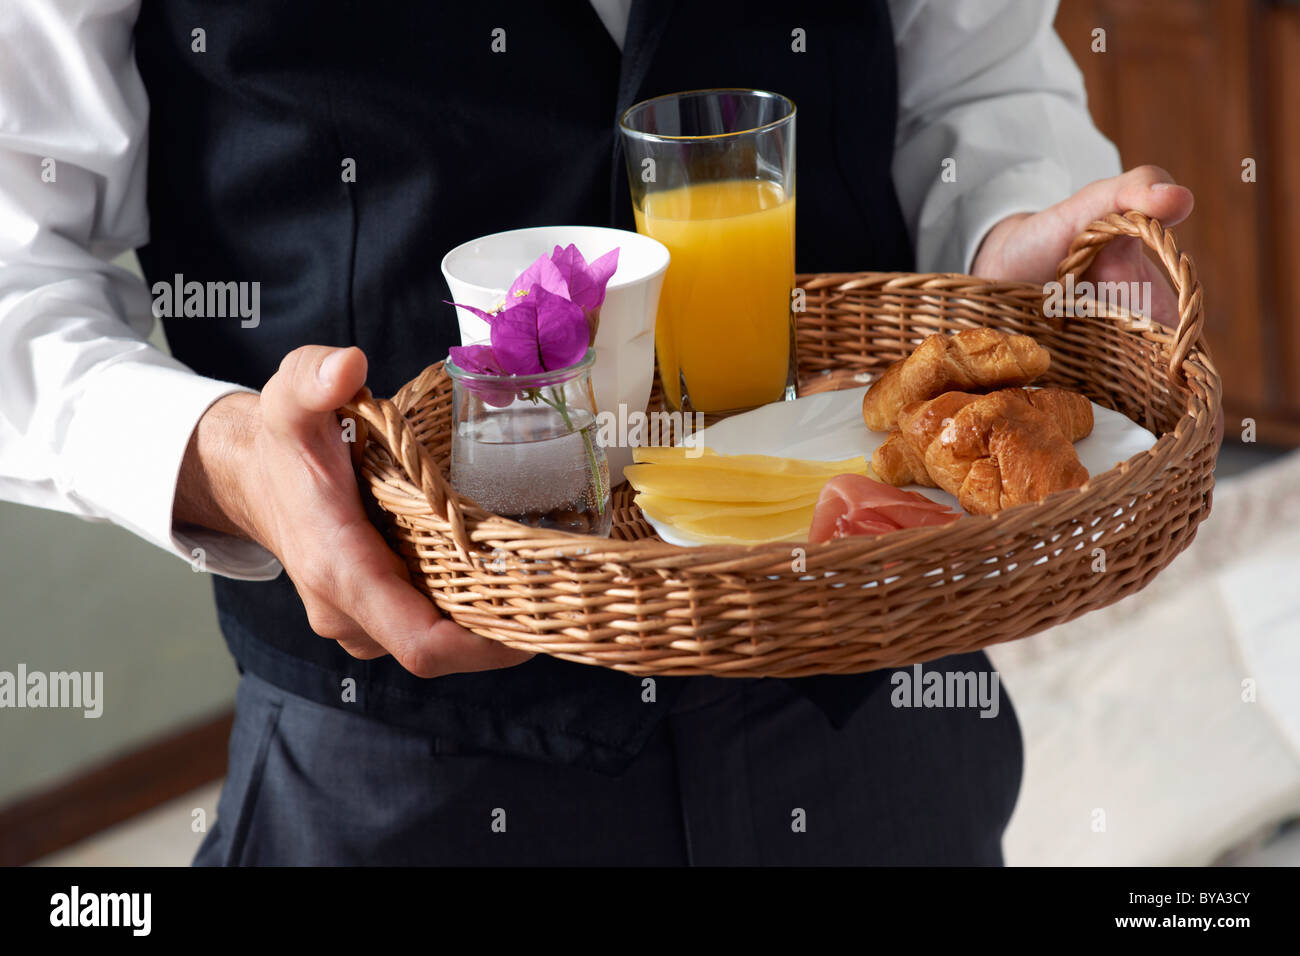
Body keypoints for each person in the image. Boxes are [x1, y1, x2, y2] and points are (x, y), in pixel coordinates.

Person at [0, 0, 1193, 865]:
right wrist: (215, 453)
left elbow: (974, 84)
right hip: (397, 762)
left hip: (870, 685)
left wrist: (1003, 246)